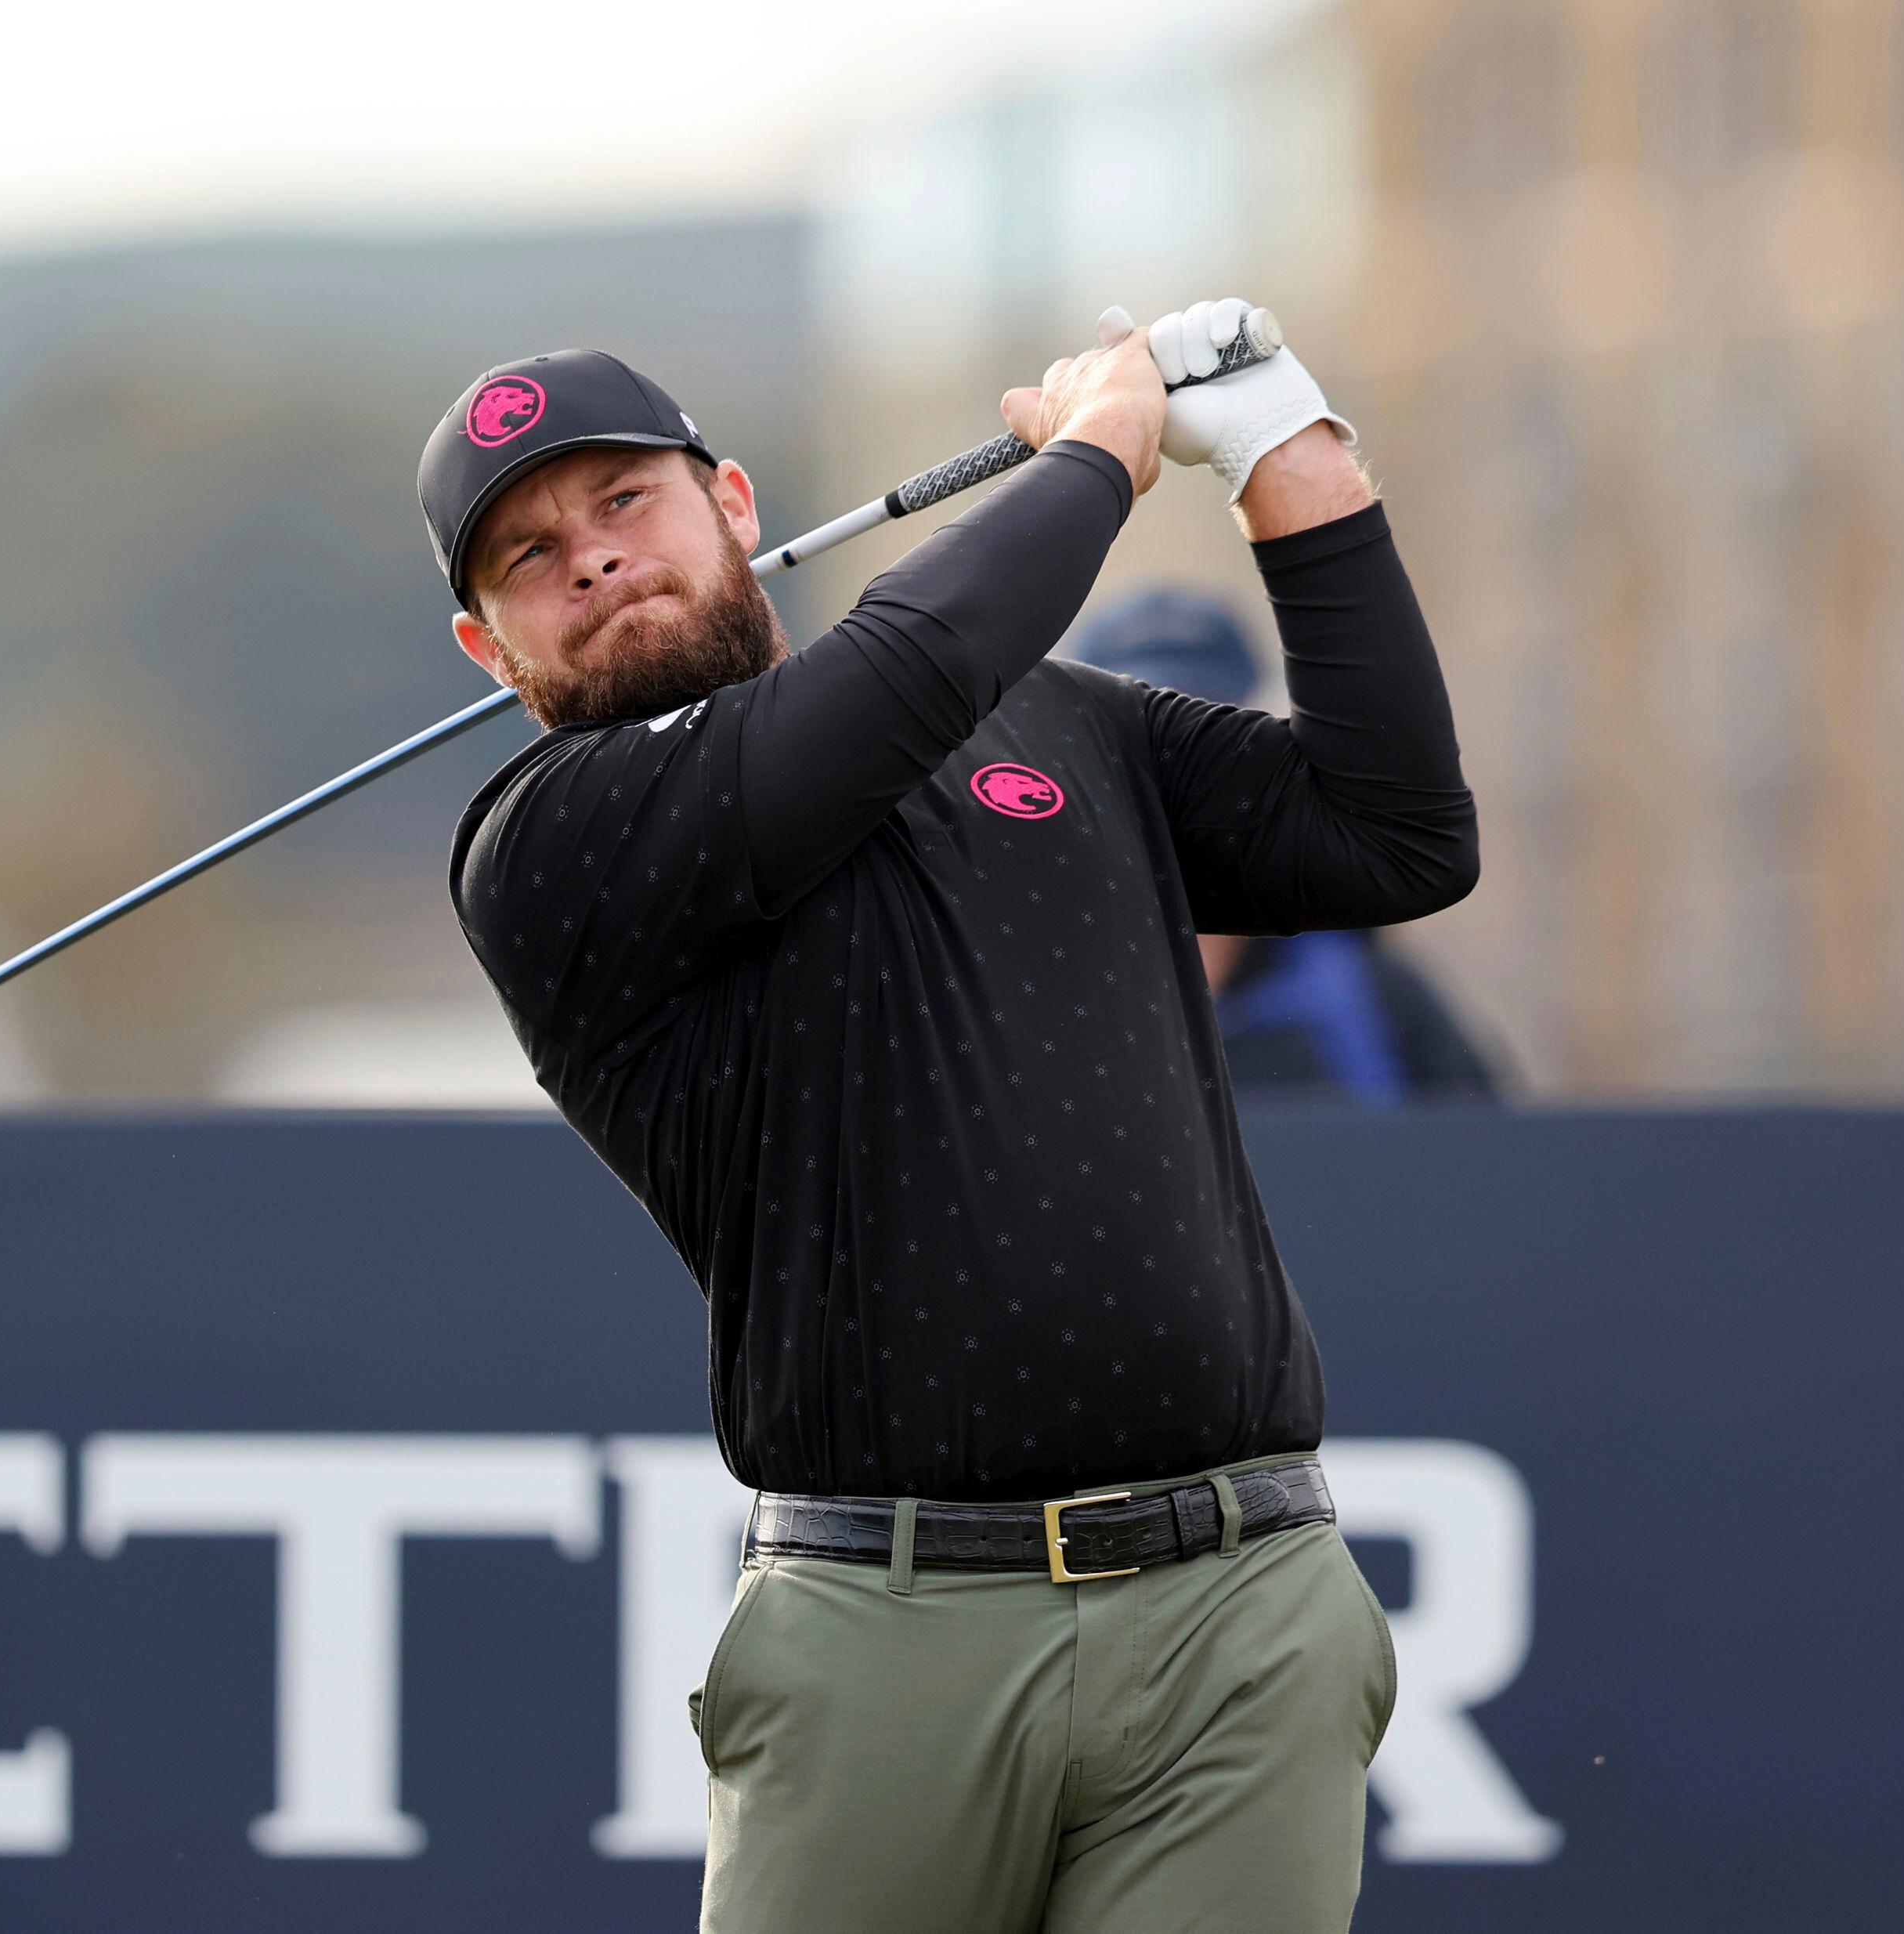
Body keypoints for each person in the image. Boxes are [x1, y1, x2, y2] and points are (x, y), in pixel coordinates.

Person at [422, 299, 1475, 1932]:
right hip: (887, 1624)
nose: (592, 559)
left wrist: (1287, 453)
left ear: (736, 507)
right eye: (527, 557)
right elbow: (898, 672)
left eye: (624, 499)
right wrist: (1100, 455)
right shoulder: (549, 843)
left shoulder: (1060, 723)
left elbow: (1395, 834)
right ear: (492, 651)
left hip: (1238, 1606)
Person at [1075, 589, 1501, 1104]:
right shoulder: (1019, 982)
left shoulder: (1367, 995)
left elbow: (1494, 1166)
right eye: (1139, 741)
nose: (1172, 774)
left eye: (1204, 737)